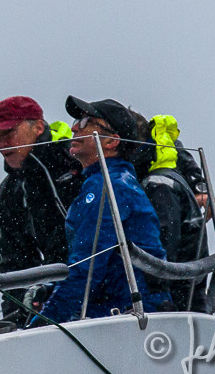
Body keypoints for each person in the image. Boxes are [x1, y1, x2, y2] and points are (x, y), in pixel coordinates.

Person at [35, 97, 168, 324]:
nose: (75, 127)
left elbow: (86, 270)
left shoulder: (107, 186)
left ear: (111, 142)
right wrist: (52, 290)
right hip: (120, 316)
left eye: (86, 121)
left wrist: (39, 325)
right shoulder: (112, 181)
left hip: (122, 318)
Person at [0, 97, 81, 322]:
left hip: (100, 288)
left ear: (38, 127)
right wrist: (15, 319)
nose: (2, 144)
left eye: (9, 133)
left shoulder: (75, 160)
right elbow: (14, 263)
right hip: (56, 295)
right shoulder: (10, 190)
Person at [141, 115, 211, 311]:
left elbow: (165, 249)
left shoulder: (158, 184)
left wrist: (199, 186)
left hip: (174, 298)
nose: (77, 129)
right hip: (185, 291)